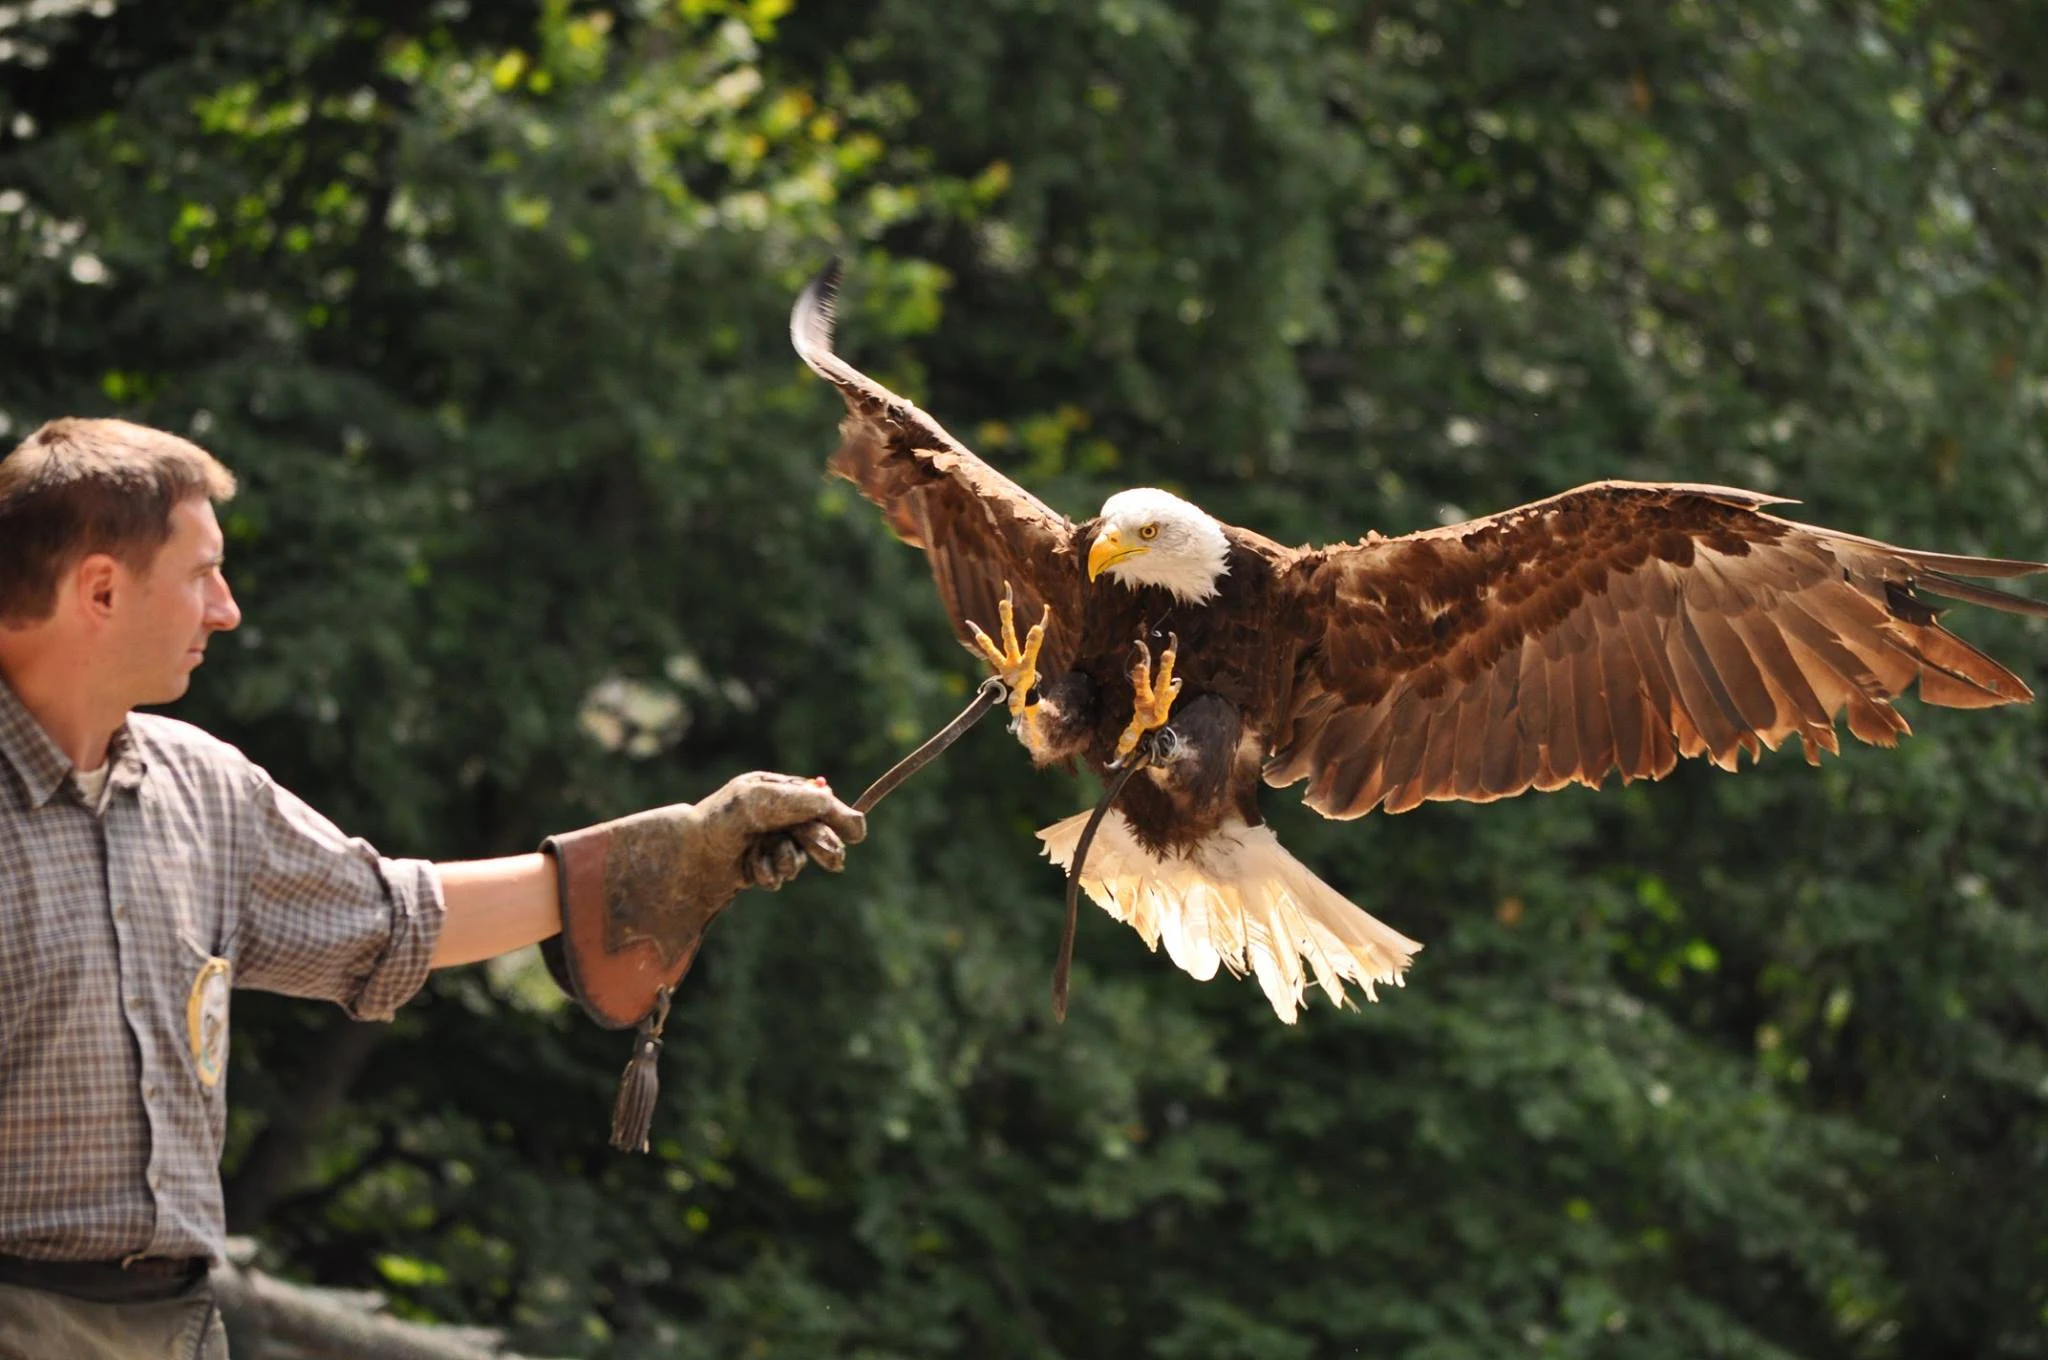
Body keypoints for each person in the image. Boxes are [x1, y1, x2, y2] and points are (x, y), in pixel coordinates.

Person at [0, 417, 866, 1358]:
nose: (228, 609)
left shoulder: (202, 788)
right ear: (99, 589)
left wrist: (676, 850)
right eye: (202, 573)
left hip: (178, 1327)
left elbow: (390, 917)